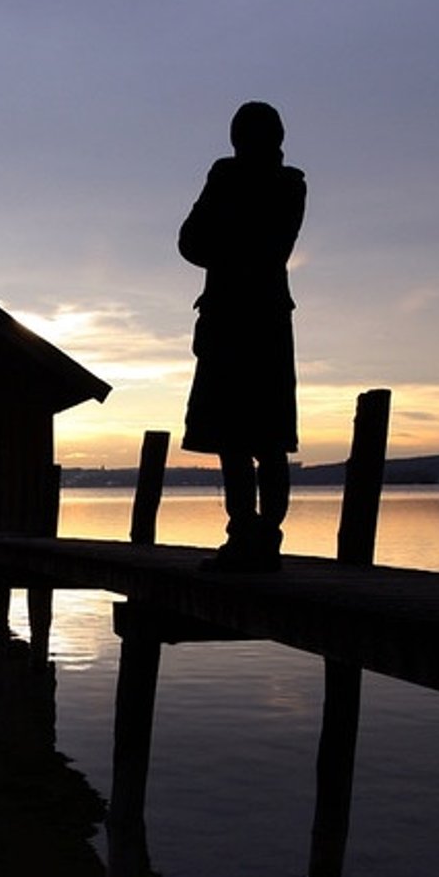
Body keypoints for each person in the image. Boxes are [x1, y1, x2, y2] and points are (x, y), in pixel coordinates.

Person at [178, 101, 307, 571]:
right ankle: (248, 537)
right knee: (241, 439)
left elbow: (263, 246)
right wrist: (235, 245)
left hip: (252, 321)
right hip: (240, 320)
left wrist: (226, 241)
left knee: (261, 440)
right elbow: (189, 241)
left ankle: (260, 539)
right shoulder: (237, 179)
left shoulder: (278, 184)